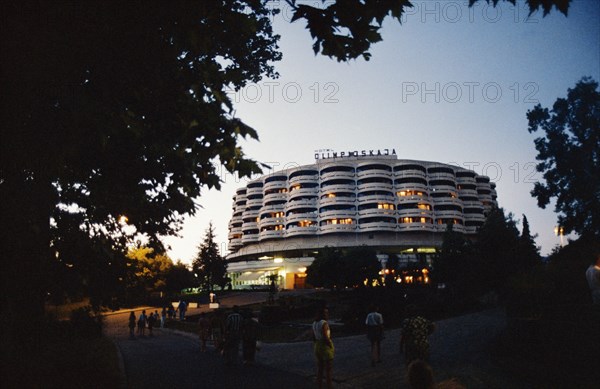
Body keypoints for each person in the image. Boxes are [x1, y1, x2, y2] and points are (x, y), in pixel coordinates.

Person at [312, 307, 334, 389]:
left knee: (320, 369)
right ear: (322, 314)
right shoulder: (324, 323)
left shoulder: (314, 323)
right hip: (325, 346)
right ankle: (329, 387)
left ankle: (319, 386)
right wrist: (330, 345)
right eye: (326, 313)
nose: (327, 314)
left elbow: (313, 337)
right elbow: (325, 336)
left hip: (317, 345)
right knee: (328, 370)